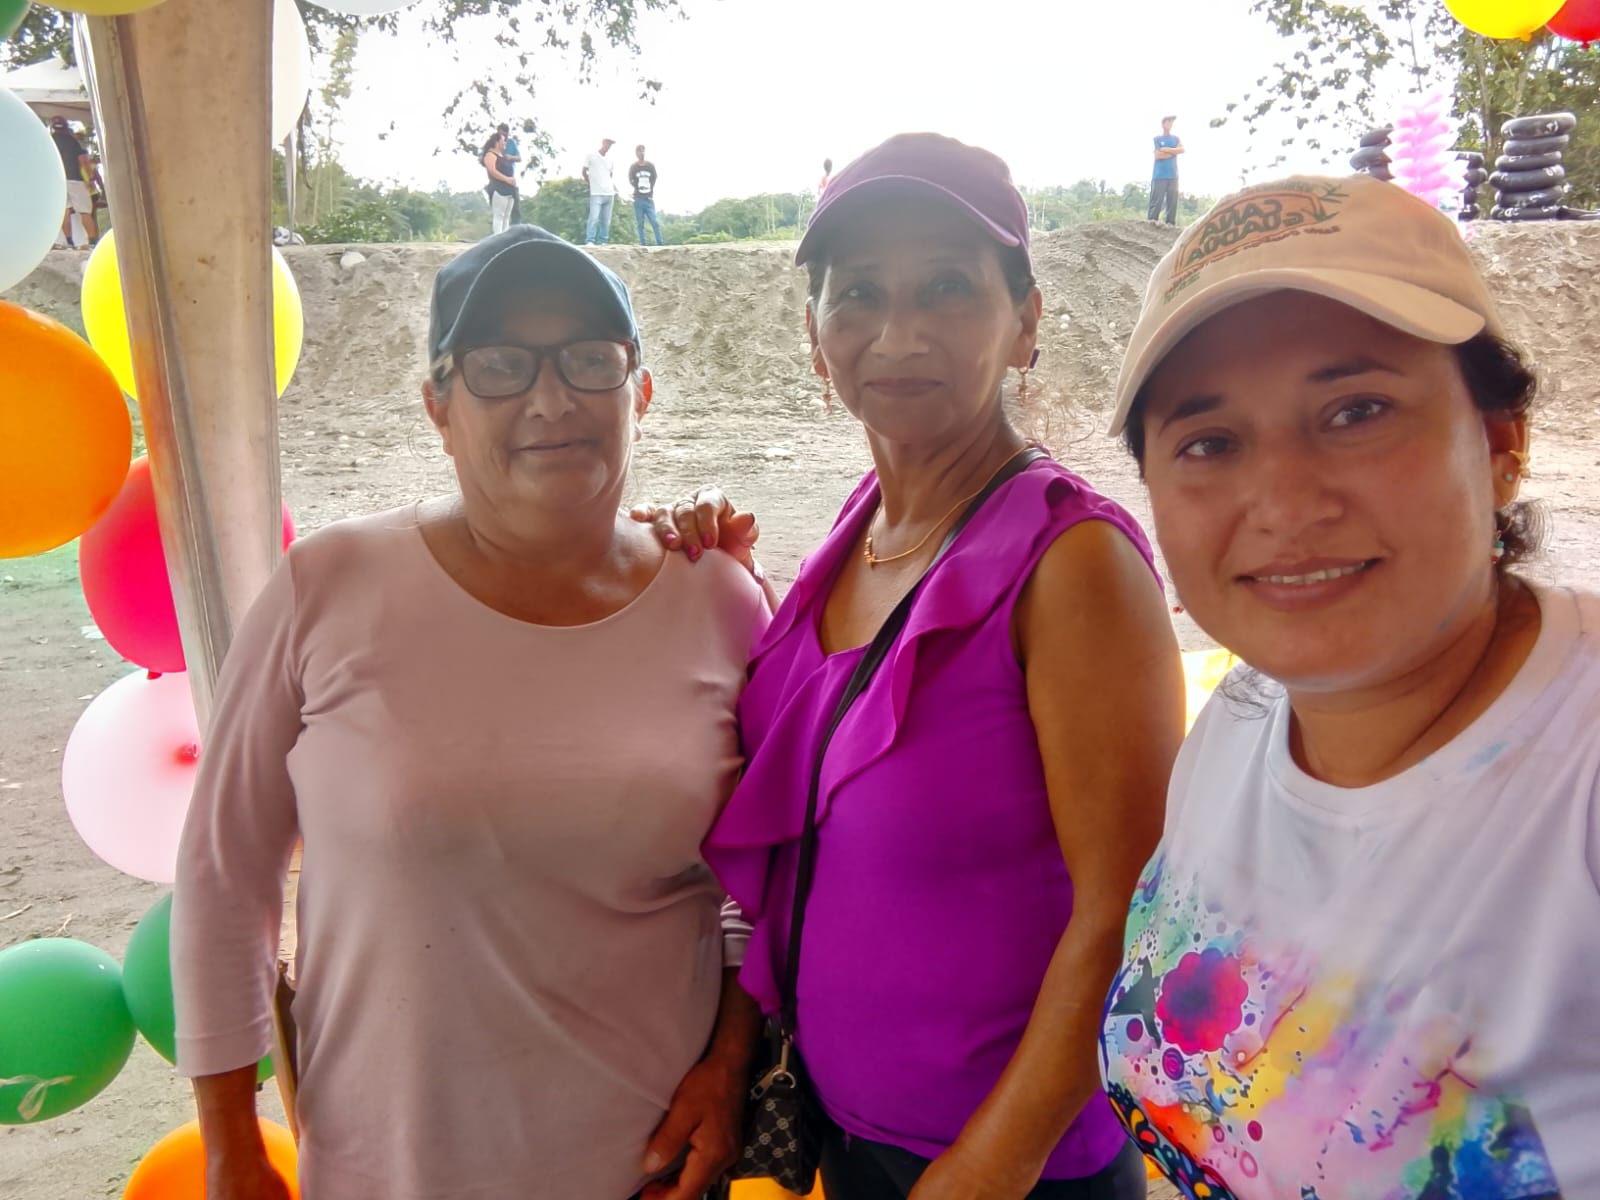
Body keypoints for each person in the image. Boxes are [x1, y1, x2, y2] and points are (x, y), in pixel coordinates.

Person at [170, 225, 768, 1200]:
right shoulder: (327, 586)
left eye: (589, 359)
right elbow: (224, 871)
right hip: (386, 1171)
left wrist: (731, 1063)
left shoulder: (722, 602)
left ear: (640, 392)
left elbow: (767, 875)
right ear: (438, 408)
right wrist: (231, 1141)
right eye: (498, 365)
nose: (550, 398)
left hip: (648, 1172)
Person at [641, 132, 1182, 1199]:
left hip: (1014, 1174)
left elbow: (1131, 909)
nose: (898, 334)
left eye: (947, 287)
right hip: (851, 1140)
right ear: (815, 336)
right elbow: (805, 826)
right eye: (858, 295)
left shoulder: (1071, 564)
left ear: (1025, 322)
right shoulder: (861, 532)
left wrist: (988, 1168)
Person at [1098, 174, 1600, 1198]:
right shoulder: (1240, 719)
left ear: (1500, 441)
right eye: (1209, 442)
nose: (1284, 503)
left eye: (1355, 410)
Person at [50, 116, 98, 248]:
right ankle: (92, 241)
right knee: (85, 211)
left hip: (58, 181)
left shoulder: (50, 141)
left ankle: (67, 242)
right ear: (66, 127)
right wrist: (90, 179)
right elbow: (83, 160)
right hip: (75, 179)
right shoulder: (72, 141)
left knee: (64, 211)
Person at [482, 130, 518, 235]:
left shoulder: (503, 156)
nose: (505, 142)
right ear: (496, 142)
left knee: (506, 217)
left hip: (510, 189)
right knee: (499, 216)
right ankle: (498, 238)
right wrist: (506, 179)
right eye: (503, 140)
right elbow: (492, 171)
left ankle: (505, 239)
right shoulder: (490, 155)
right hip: (499, 188)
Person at [1147, 116, 1181, 226]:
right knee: (1157, 201)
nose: (1170, 124)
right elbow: (1158, 155)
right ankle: (1151, 222)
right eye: (1168, 122)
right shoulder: (1157, 139)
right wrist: (1173, 152)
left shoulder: (1175, 139)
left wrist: (1166, 150)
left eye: (1171, 122)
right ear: (1163, 124)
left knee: (1172, 202)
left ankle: (1170, 224)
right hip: (1159, 175)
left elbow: (1181, 149)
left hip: (1173, 175)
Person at [583, 137, 617, 245]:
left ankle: (603, 240)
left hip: (609, 193)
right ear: (603, 143)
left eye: (610, 145)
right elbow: (584, 171)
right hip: (596, 193)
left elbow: (610, 174)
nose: (609, 146)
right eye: (608, 144)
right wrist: (590, 183)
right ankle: (590, 240)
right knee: (594, 217)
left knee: (606, 220)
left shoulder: (610, 159)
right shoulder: (591, 156)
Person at [630, 144, 663, 246]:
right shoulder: (634, 167)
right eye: (639, 151)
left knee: (654, 222)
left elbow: (654, 178)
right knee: (640, 223)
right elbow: (630, 179)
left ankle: (660, 243)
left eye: (643, 151)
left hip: (648, 198)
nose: (642, 153)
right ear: (636, 153)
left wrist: (650, 188)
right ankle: (643, 243)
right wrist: (637, 188)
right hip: (638, 198)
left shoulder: (650, 166)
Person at [498, 122, 524, 224]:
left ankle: (516, 226)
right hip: (498, 177)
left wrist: (510, 157)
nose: (502, 137)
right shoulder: (495, 143)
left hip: (510, 176)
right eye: (500, 134)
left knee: (514, 206)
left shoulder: (511, 143)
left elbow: (519, 158)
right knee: (500, 210)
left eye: (504, 134)